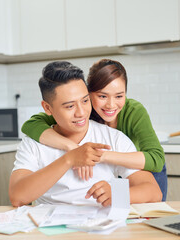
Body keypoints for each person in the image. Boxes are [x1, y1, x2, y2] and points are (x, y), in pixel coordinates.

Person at [9, 61, 162, 207]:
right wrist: (69, 159)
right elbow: (17, 197)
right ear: (47, 108)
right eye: (69, 106)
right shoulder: (34, 143)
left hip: (101, 227)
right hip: (51, 230)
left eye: (85, 101)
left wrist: (117, 194)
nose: (81, 113)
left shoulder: (113, 138)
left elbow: (154, 192)